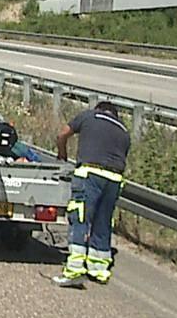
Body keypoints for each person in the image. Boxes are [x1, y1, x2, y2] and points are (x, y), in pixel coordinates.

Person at [53, 100, 131, 287]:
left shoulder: (89, 116)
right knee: (103, 221)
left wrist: (62, 154)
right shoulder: (124, 131)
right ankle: (99, 269)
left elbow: (62, 134)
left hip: (89, 173)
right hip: (114, 179)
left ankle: (74, 269)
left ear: (99, 109)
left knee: (80, 218)